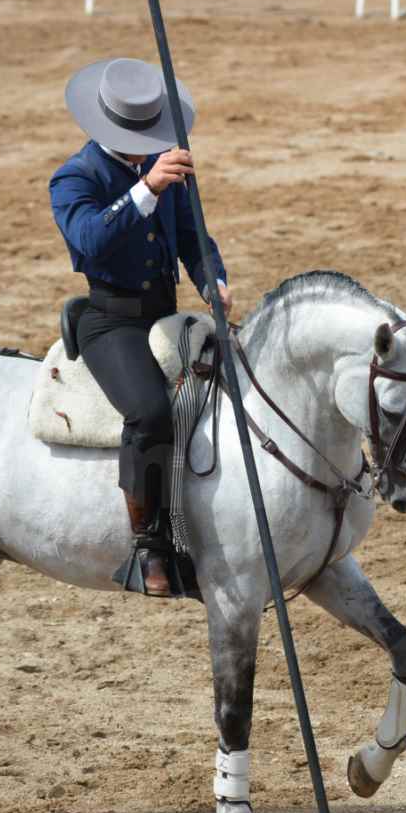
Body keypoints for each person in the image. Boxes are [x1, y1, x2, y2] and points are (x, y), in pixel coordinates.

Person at [50, 56, 233, 598]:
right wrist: (146, 189)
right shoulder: (76, 177)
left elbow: (192, 233)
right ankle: (149, 545)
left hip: (168, 311)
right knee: (151, 412)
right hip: (111, 321)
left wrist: (211, 280)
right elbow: (90, 242)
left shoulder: (166, 164)